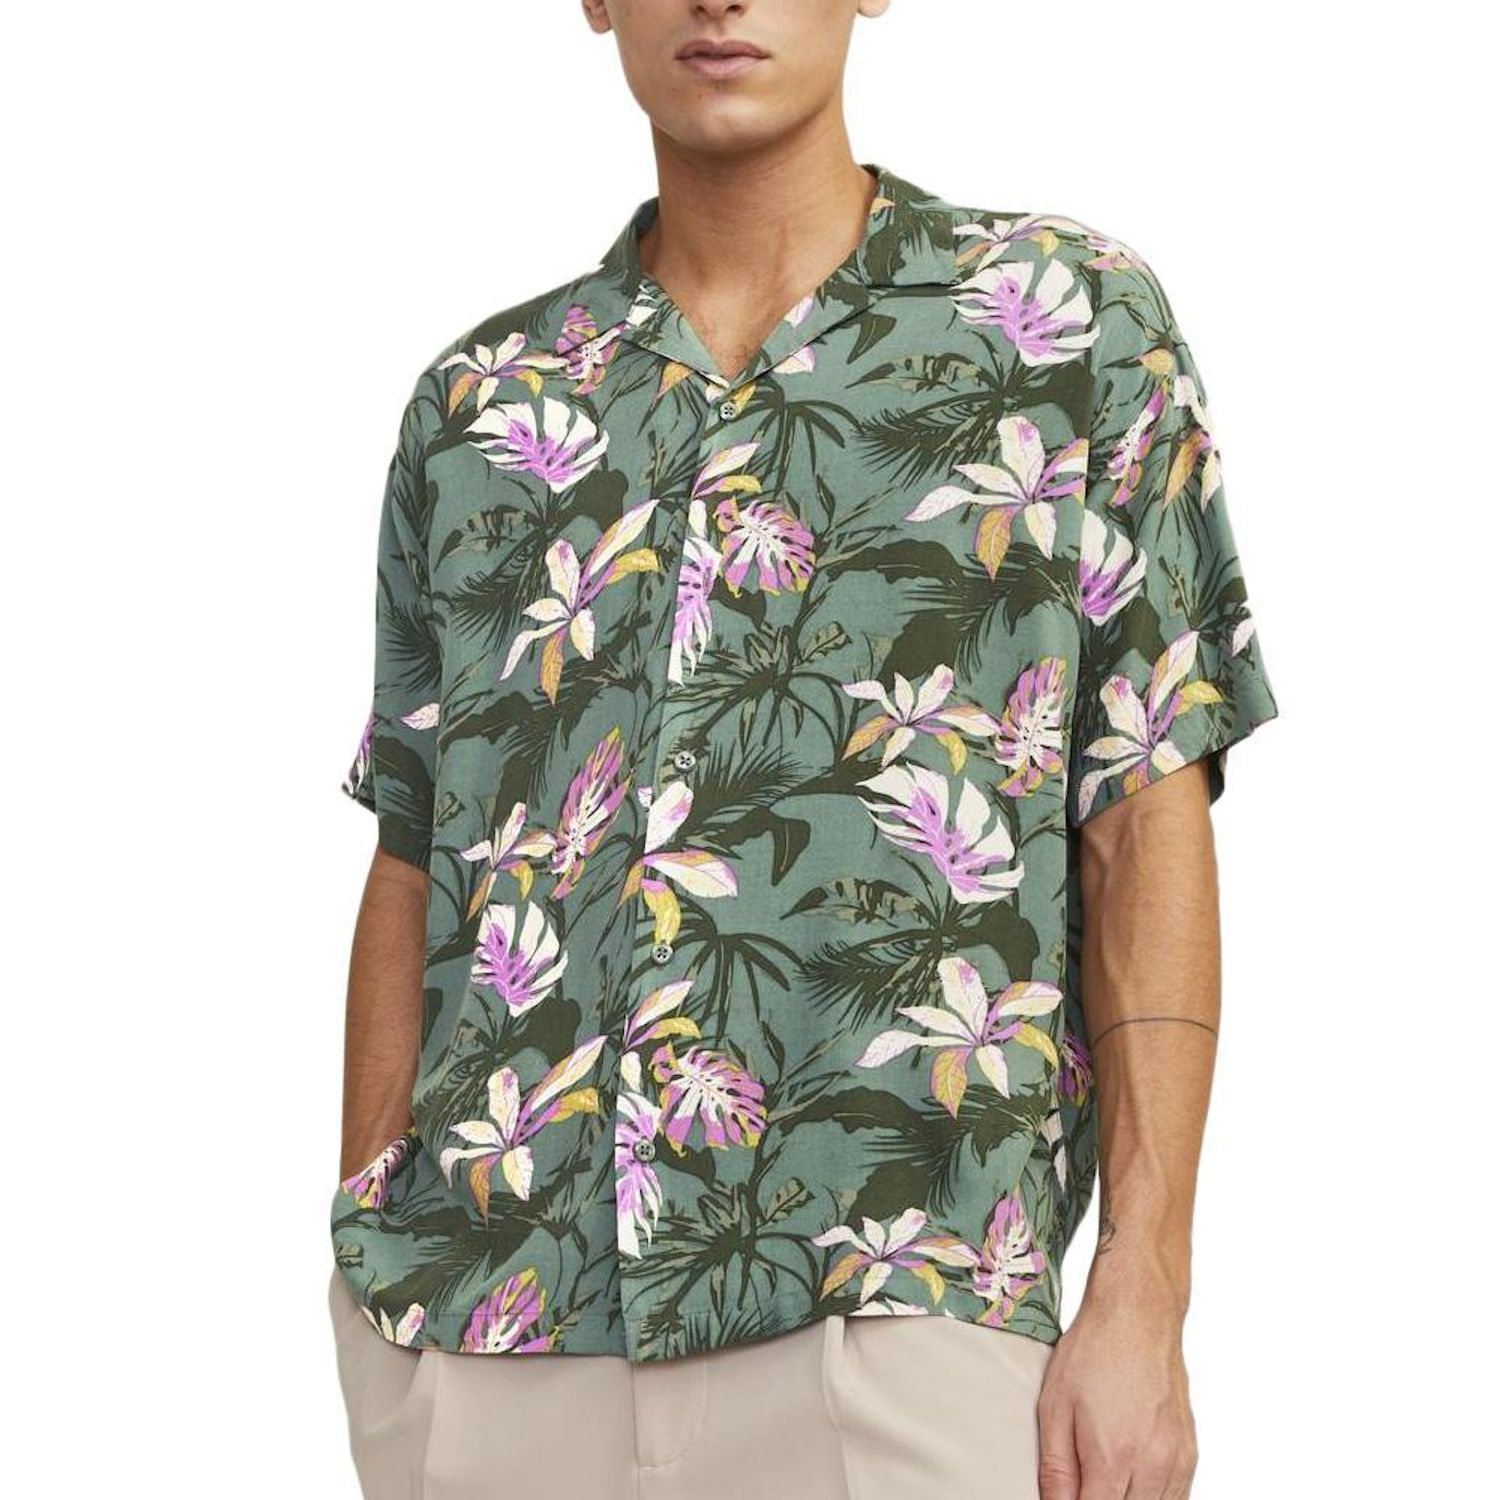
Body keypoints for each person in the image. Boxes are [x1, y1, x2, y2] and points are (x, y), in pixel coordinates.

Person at [325, 2, 1279, 1497]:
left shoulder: (1061, 325)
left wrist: (1144, 1291)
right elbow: (414, 847)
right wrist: (366, 1244)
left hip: (897, 1311)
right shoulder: (480, 406)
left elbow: (1144, 811)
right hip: (488, 1332)